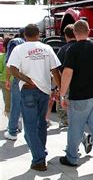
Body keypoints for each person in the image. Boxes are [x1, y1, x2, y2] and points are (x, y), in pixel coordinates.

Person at [7, 24, 61, 171]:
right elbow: (55, 70)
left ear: (25, 35)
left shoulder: (19, 49)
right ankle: (41, 152)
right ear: (39, 34)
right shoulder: (47, 48)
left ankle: (39, 159)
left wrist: (26, 78)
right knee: (41, 124)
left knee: (30, 127)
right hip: (44, 91)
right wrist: (59, 89)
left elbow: (12, 69)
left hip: (28, 90)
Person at [59, 20, 93, 172]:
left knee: (75, 128)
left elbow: (67, 74)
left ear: (74, 33)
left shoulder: (72, 50)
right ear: (89, 31)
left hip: (79, 96)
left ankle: (72, 158)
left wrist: (62, 95)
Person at [4, 29, 25, 141]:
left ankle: (12, 131)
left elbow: (10, 63)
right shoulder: (38, 45)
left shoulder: (15, 42)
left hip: (19, 77)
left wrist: (7, 79)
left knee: (16, 104)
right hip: (33, 78)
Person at [1, 37, 11, 118]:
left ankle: (11, 125)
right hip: (17, 81)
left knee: (7, 102)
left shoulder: (2, 57)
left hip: (4, 81)